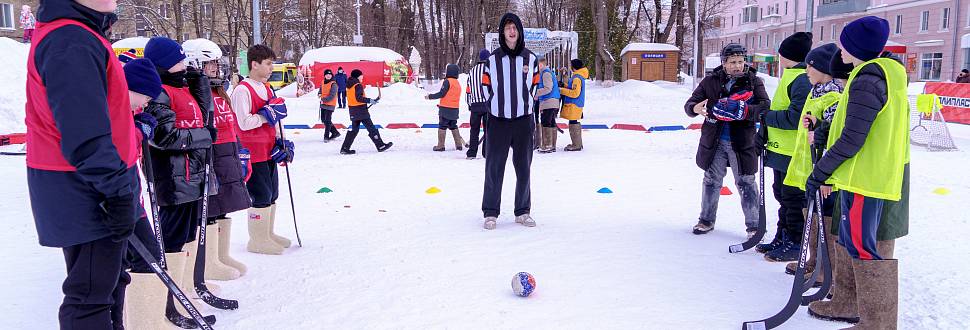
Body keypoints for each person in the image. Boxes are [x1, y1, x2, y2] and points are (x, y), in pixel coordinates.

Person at [25, 1, 142, 327]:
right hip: (86, 186)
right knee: (90, 294)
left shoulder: (82, 34)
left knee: (111, 283)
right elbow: (85, 132)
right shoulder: (70, 40)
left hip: (97, 181)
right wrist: (117, 190)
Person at [804, 16, 909, 329]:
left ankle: (877, 323)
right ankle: (848, 303)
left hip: (866, 178)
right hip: (862, 176)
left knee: (864, 246)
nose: (840, 50)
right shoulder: (879, 74)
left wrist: (819, 172)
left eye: (844, 43)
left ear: (857, 47)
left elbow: (853, 138)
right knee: (852, 241)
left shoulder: (868, 79)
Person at [683, 43, 769, 238]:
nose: (738, 66)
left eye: (741, 61)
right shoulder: (711, 81)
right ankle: (705, 220)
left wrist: (746, 111)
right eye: (733, 62)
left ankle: (754, 226)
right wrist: (695, 108)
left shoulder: (754, 81)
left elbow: (765, 107)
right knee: (712, 181)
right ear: (724, 63)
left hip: (742, 143)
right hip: (715, 142)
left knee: (746, 182)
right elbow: (690, 104)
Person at [183, 38, 250, 281]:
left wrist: (241, 152)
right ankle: (208, 262)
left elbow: (230, 124)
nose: (215, 68)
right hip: (211, 155)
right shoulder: (195, 93)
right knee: (210, 210)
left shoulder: (220, 91)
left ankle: (220, 256)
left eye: (216, 63)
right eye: (210, 63)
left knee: (224, 206)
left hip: (227, 153)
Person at [780, 42, 843, 286]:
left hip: (825, 172)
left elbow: (832, 137)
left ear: (823, 68)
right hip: (811, 168)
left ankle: (826, 269)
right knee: (813, 214)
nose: (806, 70)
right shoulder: (815, 91)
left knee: (824, 216)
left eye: (810, 66)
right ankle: (814, 260)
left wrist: (827, 175)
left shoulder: (834, 95)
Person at [230, 44, 295, 255]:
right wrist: (264, 115)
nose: (271, 68)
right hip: (252, 151)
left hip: (268, 148)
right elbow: (243, 123)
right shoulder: (242, 90)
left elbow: (275, 116)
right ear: (254, 64)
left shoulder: (267, 88)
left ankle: (267, 233)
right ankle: (257, 240)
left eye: (272, 64)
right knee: (261, 194)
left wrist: (280, 139)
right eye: (268, 64)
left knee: (272, 192)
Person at [757, 32, 813, 262]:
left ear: (786, 55)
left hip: (793, 151)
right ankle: (783, 234)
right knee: (781, 195)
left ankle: (796, 241)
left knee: (792, 198)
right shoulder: (790, 76)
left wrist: (767, 117)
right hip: (780, 149)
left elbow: (795, 117)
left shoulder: (801, 79)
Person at [481, 13, 539, 230]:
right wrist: (495, 107)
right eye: (507, 28)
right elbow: (486, 86)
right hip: (498, 121)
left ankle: (523, 211)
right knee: (494, 167)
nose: (511, 31)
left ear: (520, 31)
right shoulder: (492, 60)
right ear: (502, 32)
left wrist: (525, 104)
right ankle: (490, 212)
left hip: (523, 121)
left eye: (514, 27)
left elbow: (534, 86)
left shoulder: (530, 58)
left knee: (524, 167)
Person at [340, 69, 394, 154]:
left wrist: (370, 101)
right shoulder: (358, 85)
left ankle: (345, 148)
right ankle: (380, 145)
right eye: (361, 75)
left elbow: (354, 98)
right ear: (358, 76)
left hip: (353, 111)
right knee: (371, 128)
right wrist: (370, 100)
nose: (362, 77)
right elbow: (359, 98)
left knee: (354, 130)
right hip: (361, 111)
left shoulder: (349, 85)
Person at [426, 63, 466, 151]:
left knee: (442, 126)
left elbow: (442, 94)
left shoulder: (447, 81)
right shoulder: (457, 83)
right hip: (455, 109)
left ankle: (440, 145)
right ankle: (459, 145)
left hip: (445, 109)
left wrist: (430, 96)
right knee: (453, 125)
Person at [465, 48, 493, 159]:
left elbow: (468, 89)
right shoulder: (490, 70)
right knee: (488, 130)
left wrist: (469, 103)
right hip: (487, 105)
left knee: (474, 130)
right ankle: (486, 152)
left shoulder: (472, 71)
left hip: (475, 105)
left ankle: (472, 152)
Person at [559, 59, 589, 152]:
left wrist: (561, 90)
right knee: (573, 122)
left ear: (574, 66)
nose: (570, 67)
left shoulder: (577, 78)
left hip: (574, 103)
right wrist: (564, 84)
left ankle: (576, 145)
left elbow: (575, 93)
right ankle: (577, 143)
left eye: (571, 65)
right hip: (576, 103)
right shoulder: (578, 76)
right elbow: (572, 87)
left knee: (573, 122)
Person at [534, 57, 561, 153]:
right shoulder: (546, 73)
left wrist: (535, 93)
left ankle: (547, 145)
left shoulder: (545, 73)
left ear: (541, 64)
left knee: (546, 122)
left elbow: (548, 88)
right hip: (551, 101)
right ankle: (551, 145)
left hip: (548, 101)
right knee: (551, 122)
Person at [318, 69, 341, 142]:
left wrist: (323, 100)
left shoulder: (334, 84)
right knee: (323, 119)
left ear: (332, 75)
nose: (328, 76)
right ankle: (335, 132)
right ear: (324, 75)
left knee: (327, 121)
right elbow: (320, 90)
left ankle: (326, 137)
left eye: (329, 74)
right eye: (327, 74)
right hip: (323, 104)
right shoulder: (323, 82)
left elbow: (332, 95)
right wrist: (319, 94)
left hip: (330, 104)